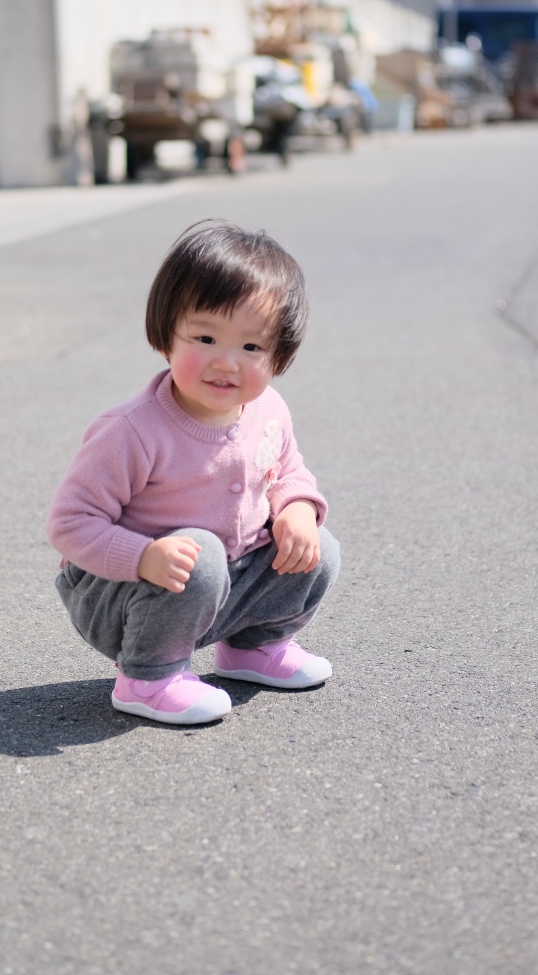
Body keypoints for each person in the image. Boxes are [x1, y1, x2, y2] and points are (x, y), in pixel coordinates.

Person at [47, 219, 340, 726]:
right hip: (122, 592)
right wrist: (143, 556)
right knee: (198, 556)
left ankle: (252, 648)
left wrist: (295, 508)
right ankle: (148, 676)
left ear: (279, 356)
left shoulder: (268, 410)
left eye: (251, 348)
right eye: (205, 337)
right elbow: (70, 524)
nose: (226, 362)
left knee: (319, 546)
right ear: (166, 335)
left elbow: (289, 469)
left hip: (223, 582)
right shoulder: (132, 431)